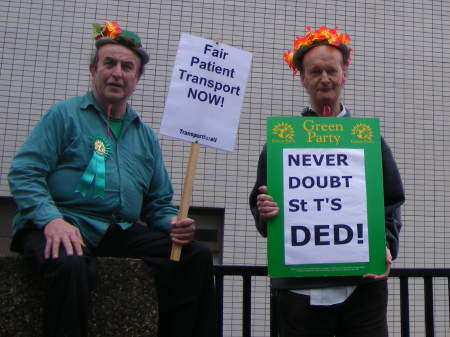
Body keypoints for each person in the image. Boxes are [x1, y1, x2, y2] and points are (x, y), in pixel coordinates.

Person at [8, 21, 216, 337]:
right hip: (62, 223)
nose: (117, 72)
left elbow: (157, 204)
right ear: (94, 69)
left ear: (136, 78)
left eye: (127, 66)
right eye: (109, 63)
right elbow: (25, 172)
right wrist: (51, 220)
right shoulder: (63, 116)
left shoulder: (145, 137)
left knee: (195, 255)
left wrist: (173, 223)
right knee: (70, 265)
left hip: (117, 230)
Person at [249, 26, 405, 337]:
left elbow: (391, 201)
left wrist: (386, 244)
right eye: (315, 71)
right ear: (303, 78)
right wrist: (264, 210)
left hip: (363, 287)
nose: (324, 78)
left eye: (331, 70)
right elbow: (262, 205)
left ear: (344, 73)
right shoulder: (281, 144)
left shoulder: (370, 142)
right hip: (299, 290)